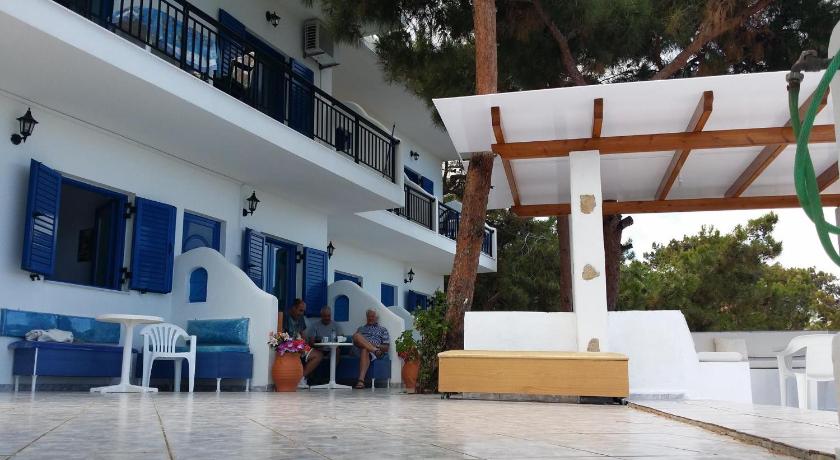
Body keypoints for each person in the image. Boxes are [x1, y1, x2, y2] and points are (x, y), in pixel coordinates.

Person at [282, 299, 323, 387]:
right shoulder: (285, 317)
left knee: (318, 355)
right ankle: (298, 379)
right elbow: (281, 335)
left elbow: (302, 333)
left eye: (303, 311)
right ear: (293, 308)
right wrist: (293, 345)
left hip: (299, 344)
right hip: (288, 345)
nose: (302, 313)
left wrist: (305, 345)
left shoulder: (300, 318)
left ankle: (300, 378)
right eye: (300, 310)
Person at [352, 309, 390, 389]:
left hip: (372, 352)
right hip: (362, 350)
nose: (370, 318)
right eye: (369, 316)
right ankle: (374, 350)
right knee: (356, 336)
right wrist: (373, 348)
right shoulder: (361, 328)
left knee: (365, 349)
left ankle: (361, 381)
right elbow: (355, 341)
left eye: (372, 316)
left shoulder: (383, 329)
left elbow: (386, 348)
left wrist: (375, 345)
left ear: (376, 318)